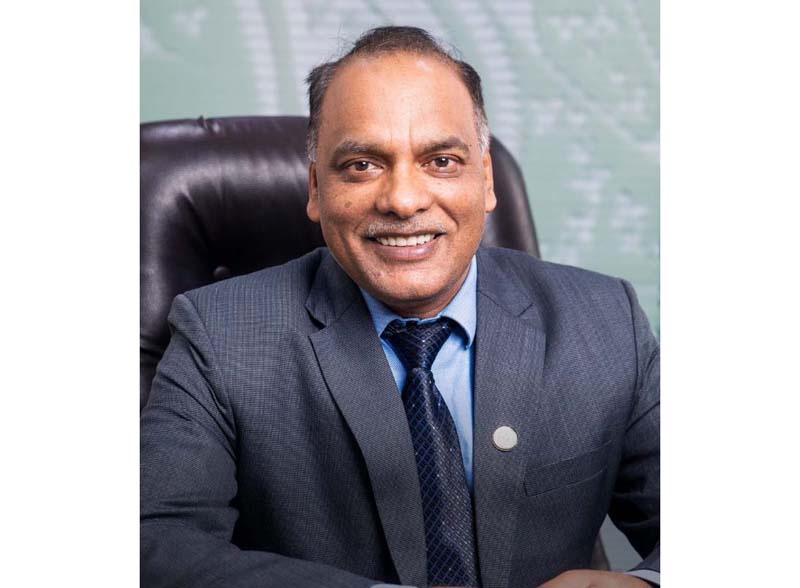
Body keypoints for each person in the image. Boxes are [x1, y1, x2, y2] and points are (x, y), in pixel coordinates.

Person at [140, 26, 659, 588]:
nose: (404, 200)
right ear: (315, 188)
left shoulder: (605, 320)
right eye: (362, 165)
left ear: (486, 179)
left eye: (441, 160)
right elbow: (155, 546)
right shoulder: (218, 334)